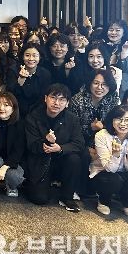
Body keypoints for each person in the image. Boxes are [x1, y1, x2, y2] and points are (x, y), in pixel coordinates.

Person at [24, 83, 84, 212]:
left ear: (67, 103)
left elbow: (79, 143)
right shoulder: (33, 117)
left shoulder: (72, 119)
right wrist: (45, 142)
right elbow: (31, 145)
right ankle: (48, 186)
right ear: (46, 98)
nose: (57, 103)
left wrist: (60, 148)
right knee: (39, 199)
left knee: (74, 159)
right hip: (40, 161)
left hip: (62, 160)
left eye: (62, 99)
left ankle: (67, 196)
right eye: (53, 98)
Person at [68, 68, 119, 197]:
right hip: (81, 140)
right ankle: (81, 189)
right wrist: (90, 128)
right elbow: (71, 128)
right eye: (96, 83)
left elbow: (115, 126)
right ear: (89, 83)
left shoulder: (113, 100)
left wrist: (102, 131)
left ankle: (107, 190)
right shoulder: (77, 100)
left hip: (105, 140)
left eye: (104, 84)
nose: (99, 87)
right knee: (84, 155)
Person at [89, 105, 128, 218]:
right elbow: (110, 169)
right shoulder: (102, 135)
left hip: (125, 171)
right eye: (119, 119)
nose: (123, 123)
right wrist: (115, 155)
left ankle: (126, 202)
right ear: (112, 120)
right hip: (103, 171)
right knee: (113, 180)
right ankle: (103, 201)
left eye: (127, 120)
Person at [7, 43, 51, 117]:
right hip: (16, 112)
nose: (31, 59)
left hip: (38, 113)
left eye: (35, 55)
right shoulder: (13, 71)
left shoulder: (45, 74)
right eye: (27, 55)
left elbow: (43, 98)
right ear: (22, 57)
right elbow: (10, 95)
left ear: (40, 57)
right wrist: (20, 80)